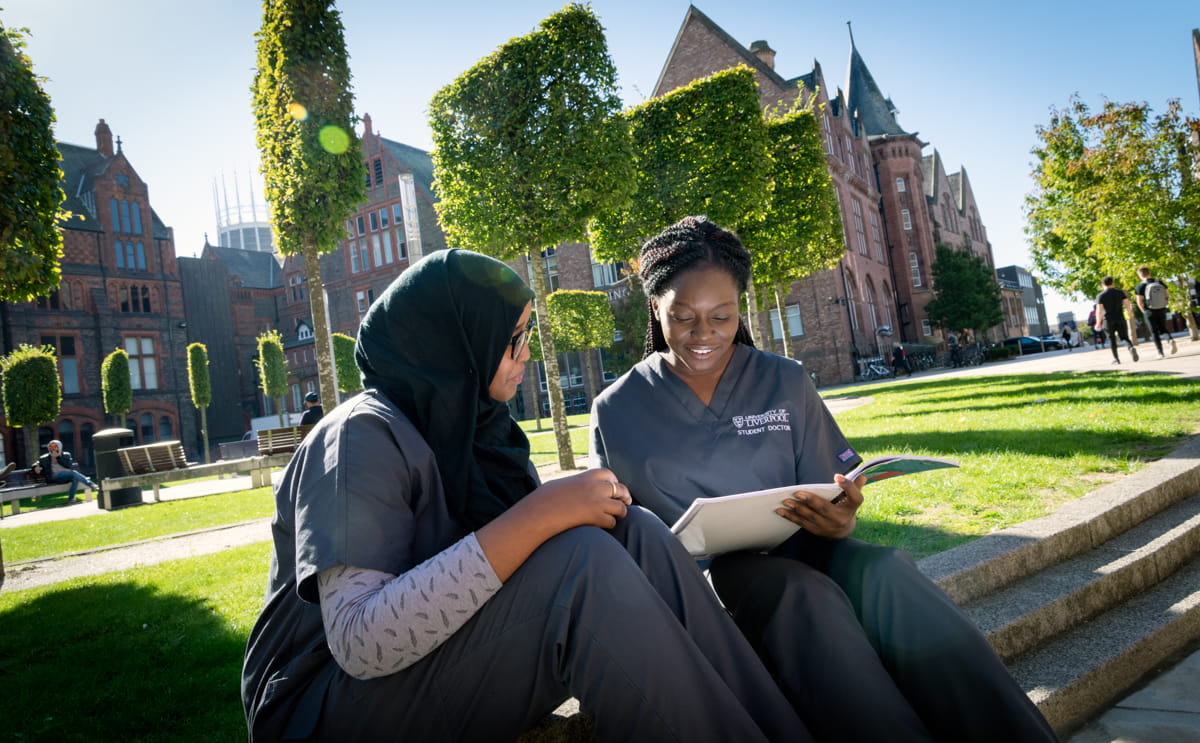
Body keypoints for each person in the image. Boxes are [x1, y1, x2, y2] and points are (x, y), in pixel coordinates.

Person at [241, 249, 807, 743]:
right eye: (513, 342)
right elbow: (361, 642)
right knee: (580, 565)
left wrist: (566, 513)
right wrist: (540, 514)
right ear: (460, 343)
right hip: (325, 713)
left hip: (427, 676)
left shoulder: (476, 434)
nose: (526, 356)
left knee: (633, 531)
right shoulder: (360, 436)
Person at [590, 216, 1059, 743]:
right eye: (683, 318)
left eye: (721, 317)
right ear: (655, 307)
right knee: (798, 594)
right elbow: (619, 533)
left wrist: (840, 519)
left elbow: (829, 486)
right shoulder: (617, 409)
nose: (704, 335)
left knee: (885, 568)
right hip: (712, 583)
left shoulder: (783, 379)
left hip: (803, 548)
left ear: (740, 309)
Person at [32, 440, 96, 504]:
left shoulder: (66, 455)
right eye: (50, 447)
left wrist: (58, 457)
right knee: (74, 473)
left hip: (66, 476)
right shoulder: (44, 458)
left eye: (54, 447)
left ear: (59, 447)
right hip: (55, 477)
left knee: (75, 478)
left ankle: (71, 500)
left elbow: (68, 465)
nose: (53, 449)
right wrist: (35, 467)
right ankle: (91, 485)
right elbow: (36, 464)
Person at [1133, 266, 1177, 359]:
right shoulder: (1159, 282)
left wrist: (1144, 311)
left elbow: (1139, 301)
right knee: (1163, 328)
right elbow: (1167, 296)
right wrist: (1164, 305)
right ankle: (1170, 340)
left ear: (1140, 275)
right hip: (1161, 308)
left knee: (1154, 332)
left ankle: (1160, 352)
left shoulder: (1140, 286)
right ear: (1149, 273)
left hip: (1149, 310)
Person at [1094, 276, 1139, 365]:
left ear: (1102, 284)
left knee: (1112, 340)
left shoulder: (1100, 296)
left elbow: (1099, 311)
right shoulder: (1120, 292)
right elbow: (1127, 304)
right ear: (1112, 283)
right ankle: (1130, 347)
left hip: (1108, 320)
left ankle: (1116, 359)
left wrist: (1098, 323)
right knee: (1124, 337)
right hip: (1120, 318)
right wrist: (1130, 314)